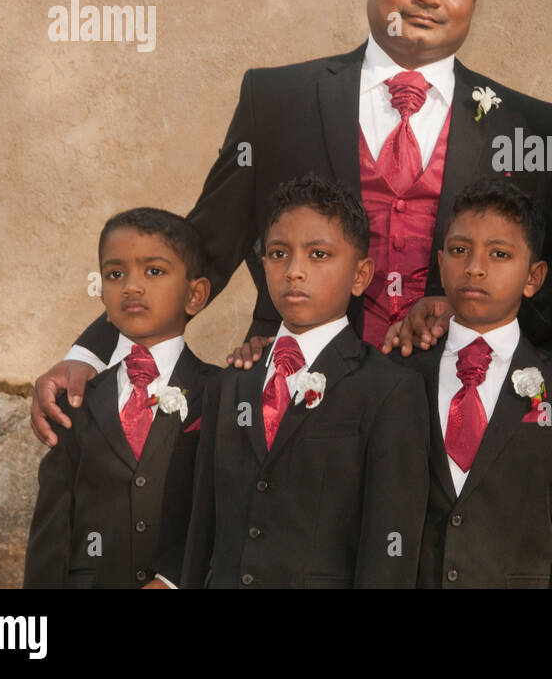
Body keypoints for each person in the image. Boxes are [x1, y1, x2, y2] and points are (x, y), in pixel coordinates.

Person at [31, 0, 552, 447]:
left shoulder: (528, 124)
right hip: (292, 401)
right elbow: (203, 246)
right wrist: (91, 352)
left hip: (459, 408)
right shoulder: (276, 100)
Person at [180, 175, 428, 588]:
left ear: (361, 275)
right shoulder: (229, 387)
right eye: (279, 254)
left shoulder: (388, 390)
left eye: (318, 254)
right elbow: (201, 529)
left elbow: (389, 545)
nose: (294, 271)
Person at [406, 178, 552, 588]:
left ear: (533, 276)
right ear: (441, 262)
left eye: (499, 254)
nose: (475, 267)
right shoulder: (399, 378)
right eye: (459, 250)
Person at [24, 208, 214, 588]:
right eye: (115, 274)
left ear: (195, 295)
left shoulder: (222, 392)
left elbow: (227, 507)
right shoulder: (75, 402)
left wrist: (174, 579)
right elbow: (53, 529)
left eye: (154, 271)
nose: (131, 286)